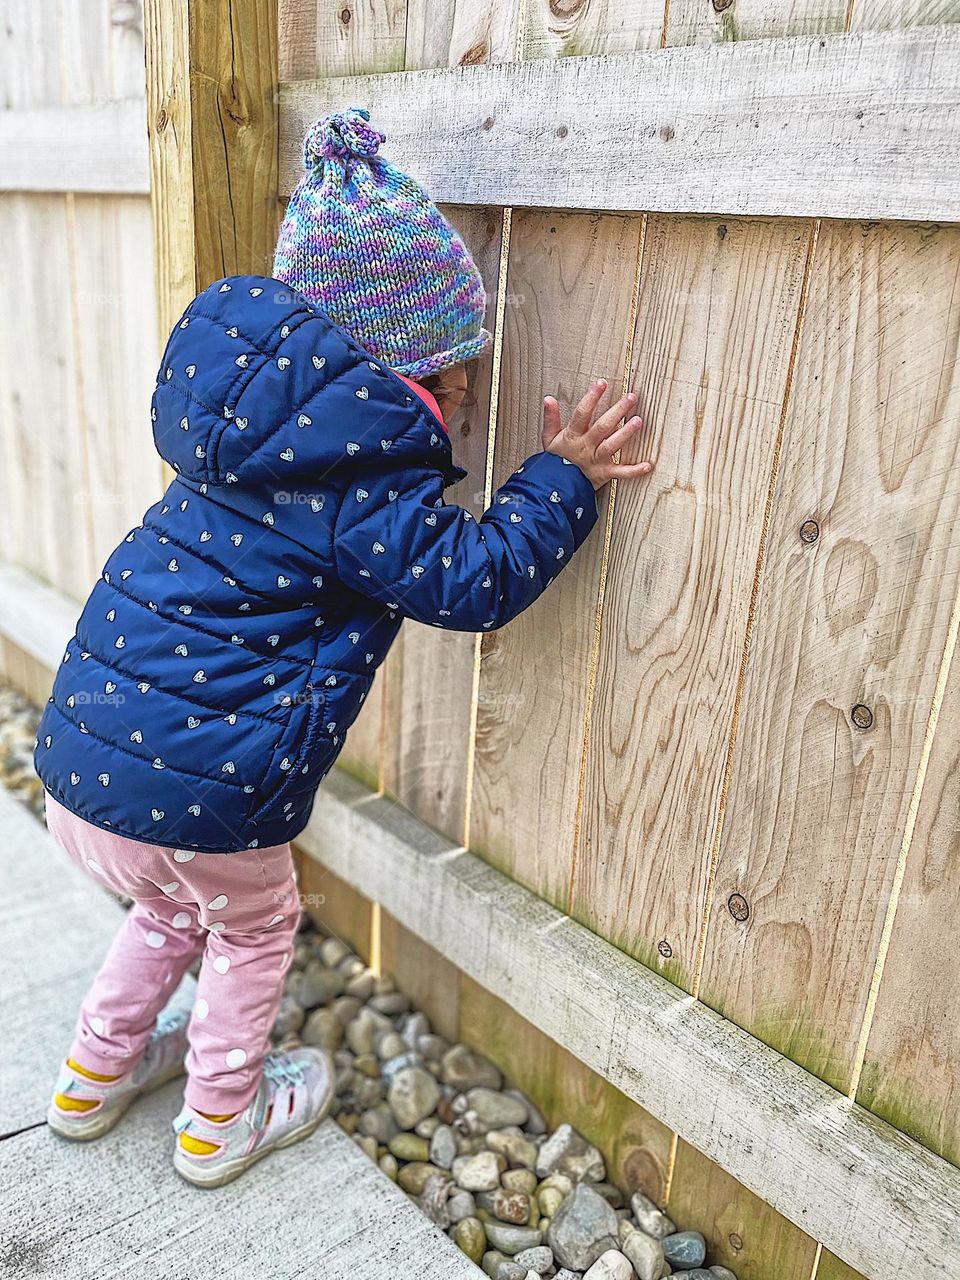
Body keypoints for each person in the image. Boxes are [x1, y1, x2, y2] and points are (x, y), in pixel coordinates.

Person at [34, 107, 654, 1187]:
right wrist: (561, 476)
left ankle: (94, 1073)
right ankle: (220, 1117)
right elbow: (473, 579)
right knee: (255, 924)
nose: (463, 411)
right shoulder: (359, 484)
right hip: (201, 798)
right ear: (398, 377)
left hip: (83, 769)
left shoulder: (236, 446)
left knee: (172, 902)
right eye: (458, 381)